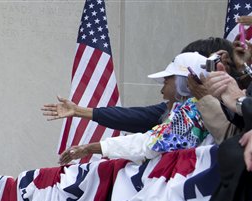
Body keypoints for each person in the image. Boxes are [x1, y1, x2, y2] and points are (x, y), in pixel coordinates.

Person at [58, 52, 210, 164]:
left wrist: (90, 148)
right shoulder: (192, 108)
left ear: (184, 82)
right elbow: (134, 117)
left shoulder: (192, 111)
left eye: (166, 81)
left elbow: (148, 144)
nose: (162, 89)